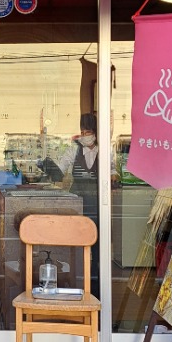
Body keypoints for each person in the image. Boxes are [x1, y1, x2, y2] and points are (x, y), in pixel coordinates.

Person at [56, 112, 100, 297]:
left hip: (98, 203)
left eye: (88, 131)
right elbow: (61, 167)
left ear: (96, 132)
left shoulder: (104, 150)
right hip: (78, 201)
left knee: (97, 242)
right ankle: (76, 279)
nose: (84, 135)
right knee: (77, 240)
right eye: (82, 131)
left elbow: (113, 172)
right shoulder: (74, 149)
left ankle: (96, 281)